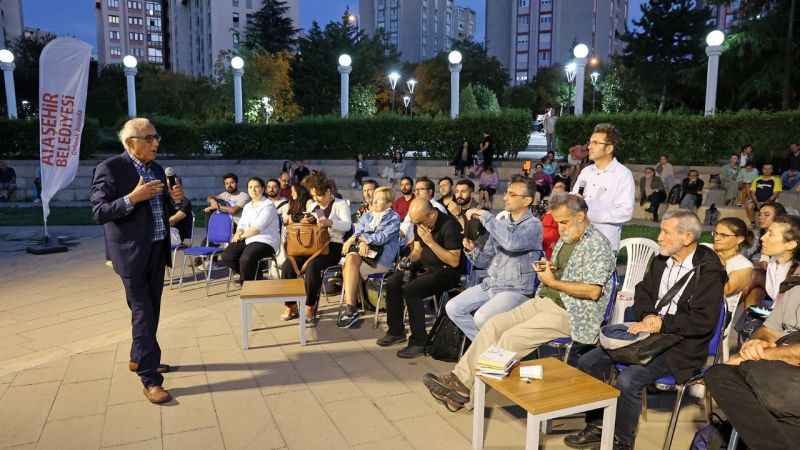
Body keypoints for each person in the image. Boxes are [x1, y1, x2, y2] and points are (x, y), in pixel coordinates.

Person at [423, 193, 616, 410]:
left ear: (580, 216)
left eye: (564, 222)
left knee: (510, 340)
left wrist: (553, 282)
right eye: (557, 222)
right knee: (493, 326)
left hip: (573, 312)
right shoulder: (570, 237)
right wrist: (549, 270)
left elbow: (592, 292)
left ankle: (467, 394)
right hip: (546, 300)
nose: (560, 228)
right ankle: (460, 381)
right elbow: (566, 273)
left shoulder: (597, 245)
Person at [564, 210, 726, 450]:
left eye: (666, 232)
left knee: (628, 380)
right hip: (648, 335)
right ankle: (598, 425)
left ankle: (622, 443)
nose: (659, 237)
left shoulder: (709, 272)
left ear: (687, 237)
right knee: (589, 361)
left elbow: (703, 322)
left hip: (681, 346)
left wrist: (663, 323)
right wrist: (648, 315)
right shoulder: (662, 260)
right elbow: (643, 292)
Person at [90, 118, 185, 404]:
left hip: (157, 249)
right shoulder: (110, 168)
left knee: (151, 309)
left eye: (157, 137)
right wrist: (132, 197)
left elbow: (164, 208)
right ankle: (150, 378)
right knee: (143, 311)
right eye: (150, 138)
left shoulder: (156, 169)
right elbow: (99, 211)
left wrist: (176, 199)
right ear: (131, 142)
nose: (156, 143)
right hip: (130, 255)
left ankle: (139, 357)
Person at [705, 233, 800, 450]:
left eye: (772, 233)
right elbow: (768, 331)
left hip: (786, 375)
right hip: (777, 372)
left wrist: (766, 353)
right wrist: (754, 345)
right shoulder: (794, 288)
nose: (764, 237)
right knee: (717, 373)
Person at [446, 178, 544, 340]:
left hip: (516, 290)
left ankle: (489, 352)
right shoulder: (501, 223)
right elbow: (483, 262)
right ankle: (487, 349)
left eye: (512, 194)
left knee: (481, 317)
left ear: (527, 200)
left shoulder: (534, 225)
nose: (505, 198)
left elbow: (512, 243)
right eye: (506, 193)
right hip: (492, 284)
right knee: (453, 307)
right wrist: (472, 250)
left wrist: (486, 216)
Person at [378, 199, 463, 358]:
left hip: (446, 272)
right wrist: (407, 261)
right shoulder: (420, 223)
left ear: (431, 214)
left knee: (412, 290)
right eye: (415, 222)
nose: (417, 225)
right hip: (425, 266)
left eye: (419, 222)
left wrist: (430, 242)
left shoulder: (450, 226)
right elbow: (417, 250)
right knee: (393, 282)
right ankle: (396, 331)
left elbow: (454, 261)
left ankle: (419, 341)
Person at [280, 173, 352, 325]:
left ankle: (310, 306)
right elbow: (317, 219)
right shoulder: (314, 206)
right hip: (312, 245)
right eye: (313, 195)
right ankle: (291, 306)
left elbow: (347, 225)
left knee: (313, 267)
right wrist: (307, 220)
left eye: (319, 195)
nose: (316, 198)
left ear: (328, 191)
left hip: (333, 246)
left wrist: (330, 222)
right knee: (288, 266)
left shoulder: (340, 204)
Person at [337, 187, 401, 328]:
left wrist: (362, 240)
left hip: (382, 260)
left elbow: (381, 238)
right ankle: (351, 308)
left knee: (348, 266)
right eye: (374, 199)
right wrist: (354, 240)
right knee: (351, 259)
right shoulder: (367, 216)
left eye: (380, 199)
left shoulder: (394, 218)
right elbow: (358, 232)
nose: (374, 201)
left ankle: (351, 309)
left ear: (389, 203)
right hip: (363, 256)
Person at [571, 123, 635, 251]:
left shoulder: (623, 174)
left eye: (595, 143)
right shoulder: (586, 172)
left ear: (609, 148)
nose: (589, 147)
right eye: (590, 142)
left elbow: (625, 212)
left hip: (604, 246)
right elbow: (574, 199)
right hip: (578, 242)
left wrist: (589, 214)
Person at [220, 177, 280, 283]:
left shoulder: (268, 206)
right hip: (248, 238)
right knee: (227, 256)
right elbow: (242, 223)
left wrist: (240, 236)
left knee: (246, 258)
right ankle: (253, 276)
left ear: (263, 189)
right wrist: (238, 232)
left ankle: (247, 284)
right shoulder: (247, 206)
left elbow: (257, 228)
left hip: (266, 241)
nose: (253, 190)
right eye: (250, 187)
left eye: (256, 187)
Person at [713, 218, 755, 316]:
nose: (716, 238)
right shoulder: (706, 250)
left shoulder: (744, 265)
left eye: (724, 235)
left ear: (740, 239)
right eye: (715, 233)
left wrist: (719, 265)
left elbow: (724, 291)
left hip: (716, 316)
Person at [399, 177, 449, 246]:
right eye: (415, 190)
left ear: (430, 192)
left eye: (421, 189)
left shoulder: (438, 208)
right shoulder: (416, 205)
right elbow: (404, 227)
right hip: (408, 245)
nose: (416, 192)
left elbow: (438, 236)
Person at [541, 182, 565, 258]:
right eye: (555, 194)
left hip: (555, 242)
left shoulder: (565, 211)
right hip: (544, 242)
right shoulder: (548, 208)